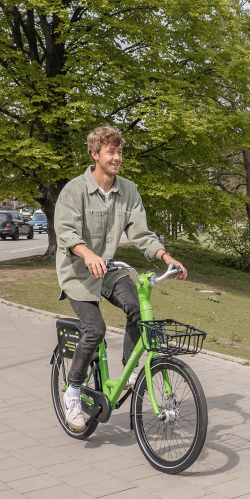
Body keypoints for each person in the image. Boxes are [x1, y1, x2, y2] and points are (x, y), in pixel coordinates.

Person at [54, 125, 187, 431]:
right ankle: (72, 391)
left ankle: (128, 372)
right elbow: (67, 233)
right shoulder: (74, 191)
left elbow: (141, 234)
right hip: (78, 272)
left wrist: (166, 257)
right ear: (95, 154)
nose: (117, 157)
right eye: (110, 151)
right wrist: (87, 255)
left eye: (120, 151)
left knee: (140, 310)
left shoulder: (128, 190)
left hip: (111, 269)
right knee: (95, 329)